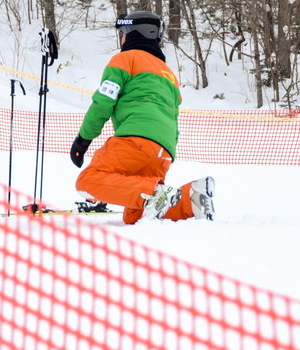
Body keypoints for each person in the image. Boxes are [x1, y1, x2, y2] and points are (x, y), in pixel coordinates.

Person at [69, 11, 214, 224]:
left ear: (133, 33)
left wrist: (83, 139)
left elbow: (103, 102)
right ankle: (191, 200)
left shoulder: (124, 59)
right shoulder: (169, 75)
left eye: (123, 33)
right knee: (136, 216)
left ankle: (155, 193)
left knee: (88, 181)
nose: (121, 38)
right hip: (163, 151)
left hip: (135, 140)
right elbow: (173, 113)